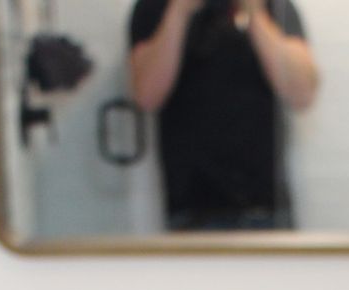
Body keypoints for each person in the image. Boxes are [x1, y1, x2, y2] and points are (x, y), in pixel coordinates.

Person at [128, 0, 319, 231]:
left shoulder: (274, 6)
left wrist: (256, 16)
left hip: (268, 210)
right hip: (191, 213)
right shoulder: (155, 6)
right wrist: (179, 12)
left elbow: (302, 94)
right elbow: (147, 96)